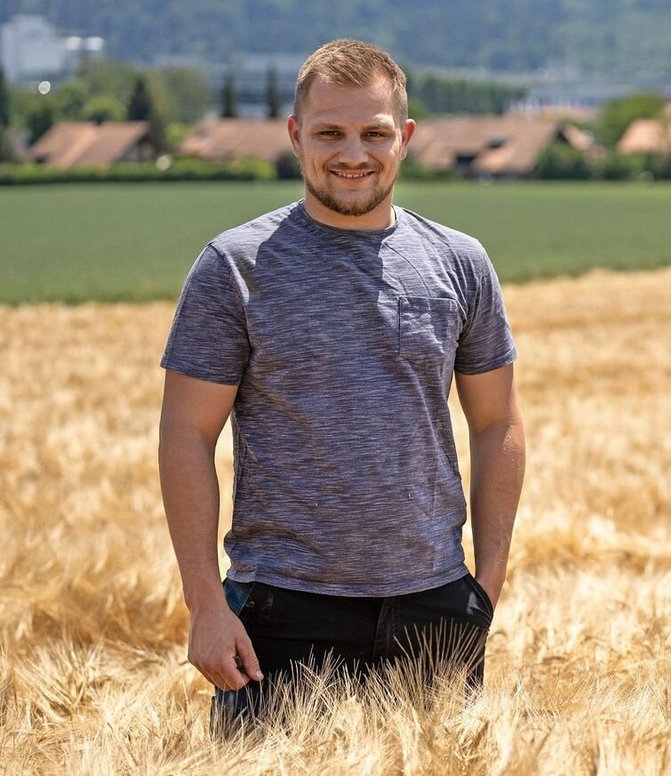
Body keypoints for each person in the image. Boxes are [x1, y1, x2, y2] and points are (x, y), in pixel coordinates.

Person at [157, 39, 525, 733]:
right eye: (329, 132)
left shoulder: (461, 264)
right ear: (296, 136)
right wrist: (206, 601)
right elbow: (186, 434)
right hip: (279, 611)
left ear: (405, 139)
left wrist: (487, 586)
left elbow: (498, 422)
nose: (352, 152)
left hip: (434, 606)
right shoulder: (232, 268)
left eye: (373, 133)